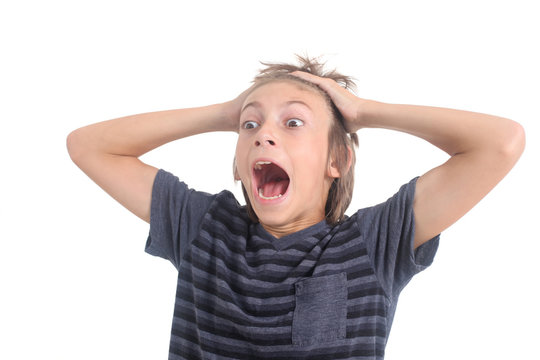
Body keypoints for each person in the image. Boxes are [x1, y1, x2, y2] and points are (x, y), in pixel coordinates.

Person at [67, 55, 525, 359]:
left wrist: (363, 112)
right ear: (237, 163)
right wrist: (223, 113)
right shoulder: (202, 228)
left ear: (337, 160)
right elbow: (87, 147)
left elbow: (500, 144)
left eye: (293, 122)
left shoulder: (375, 241)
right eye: (251, 125)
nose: (264, 134)